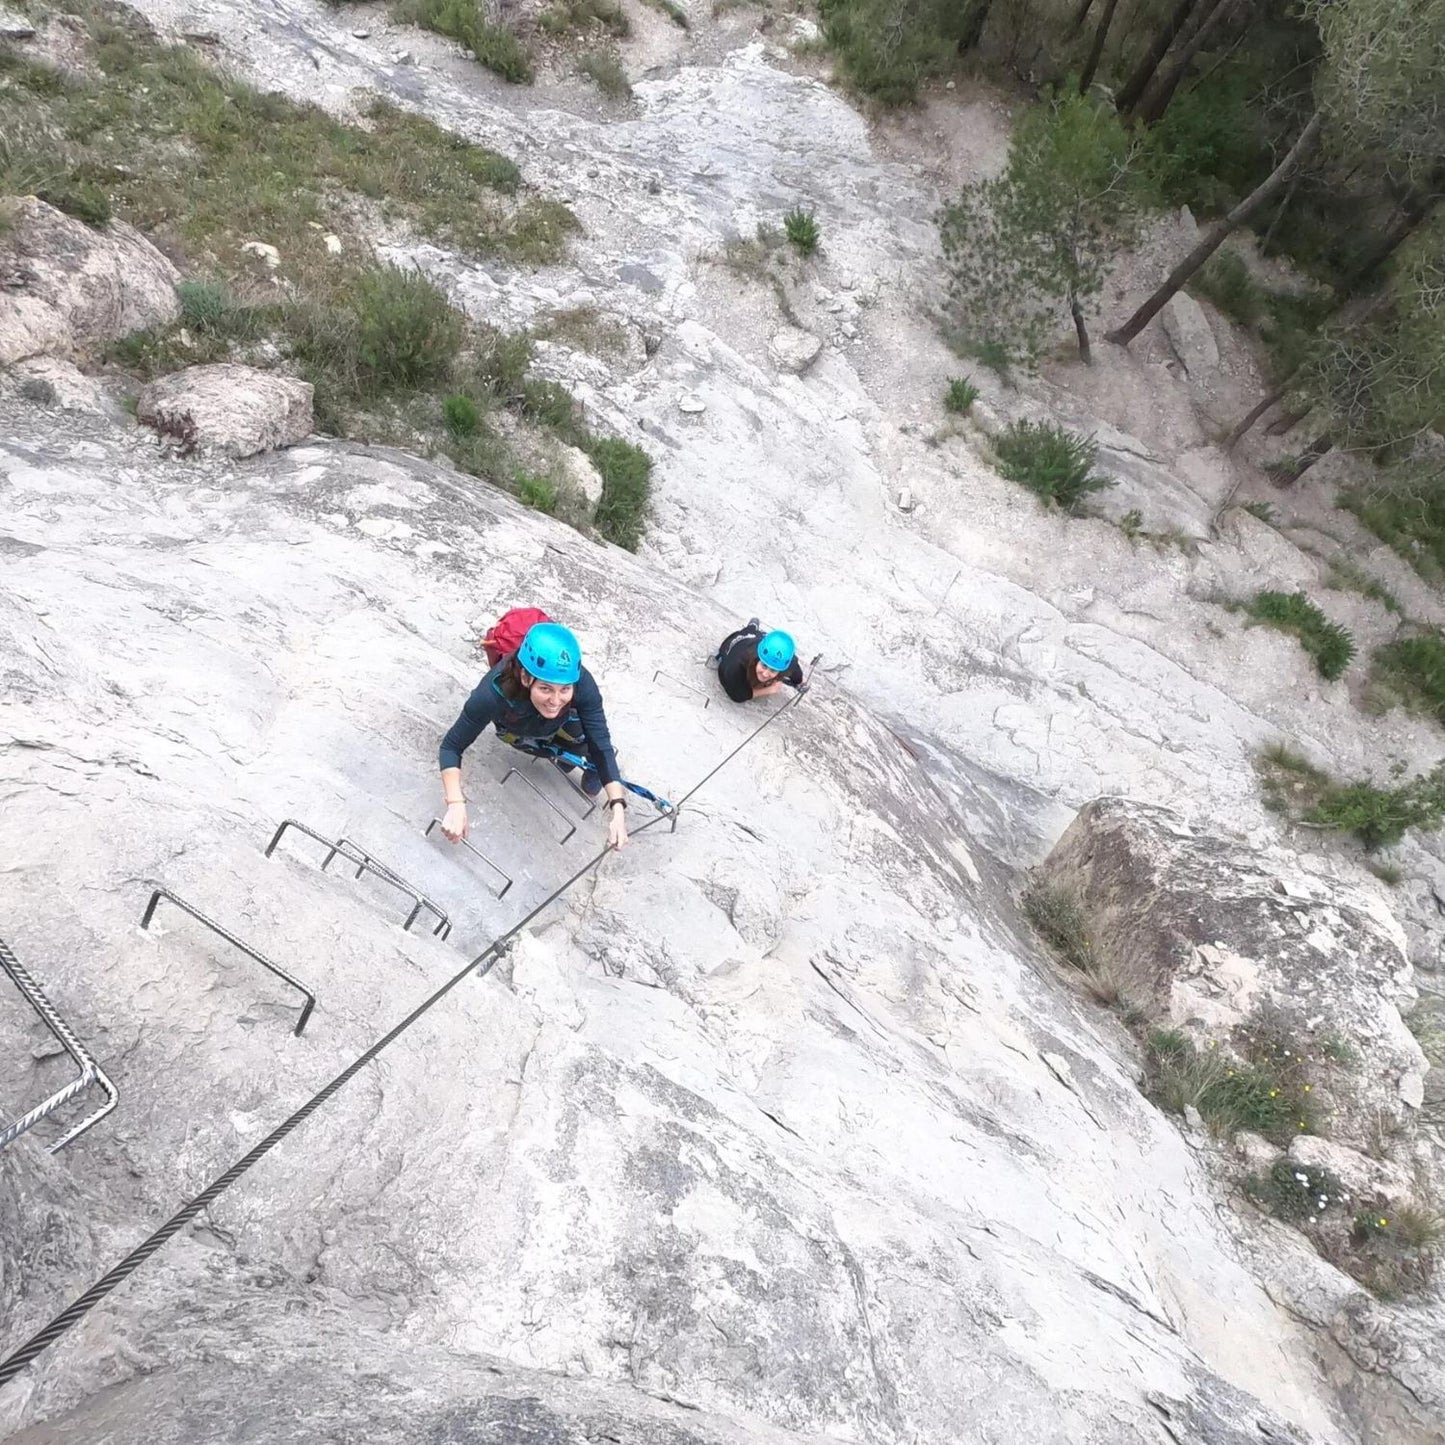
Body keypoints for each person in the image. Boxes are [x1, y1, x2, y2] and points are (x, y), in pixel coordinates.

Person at [438, 622, 629, 850]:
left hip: (565, 722)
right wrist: (455, 803)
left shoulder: (581, 683)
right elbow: (451, 746)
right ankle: (558, 750)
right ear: (526, 678)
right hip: (518, 723)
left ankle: (575, 757)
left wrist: (617, 807)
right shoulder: (491, 694)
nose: (556, 700)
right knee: (541, 743)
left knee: (584, 738)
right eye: (546, 688)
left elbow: (600, 741)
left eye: (564, 690)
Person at [713, 620, 804, 704]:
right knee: (750, 633)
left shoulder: (786, 661)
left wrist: (798, 682)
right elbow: (737, 696)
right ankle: (752, 627)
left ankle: (753, 627)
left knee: (756, 634)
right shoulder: (735, 666)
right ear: (757, 659)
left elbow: (796, 673)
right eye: (764, 665)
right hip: (734, 644)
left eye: (773, 670)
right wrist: (770, 689)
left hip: (756, 638)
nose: (765, 674)